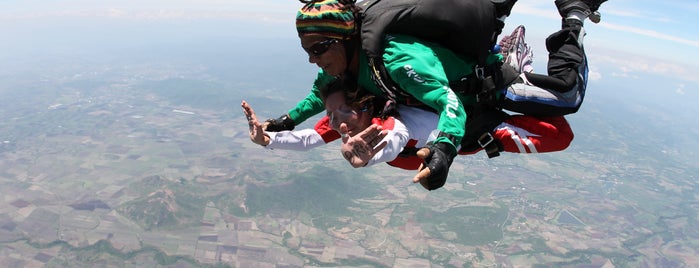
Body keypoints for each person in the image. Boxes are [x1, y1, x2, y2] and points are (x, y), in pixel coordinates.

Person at [260, 0, 606, 190]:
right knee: (487, 11)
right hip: (457, 90)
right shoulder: (338, 66)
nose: (312, 58)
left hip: (486, 84)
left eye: (319, 48)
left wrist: (444, 149)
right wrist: (281, 123)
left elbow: (448, 102)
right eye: (308, 50)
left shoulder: (397, 60)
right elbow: (317, 97)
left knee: (567, 97)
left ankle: (573, 15)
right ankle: (494, 16)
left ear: (343, 39)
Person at [242, 76, 574, 190]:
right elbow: (309, 139)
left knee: (560, 132)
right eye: (331, 113)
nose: (337, 122)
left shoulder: (385, 122)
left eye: (343, 111)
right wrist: (267, 139)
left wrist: (369, 157)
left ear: (367, 104)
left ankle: (510, 78)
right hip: (470, 131)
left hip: (480, 126)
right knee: (560, 133)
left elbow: (394, 138)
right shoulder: (349, 121)